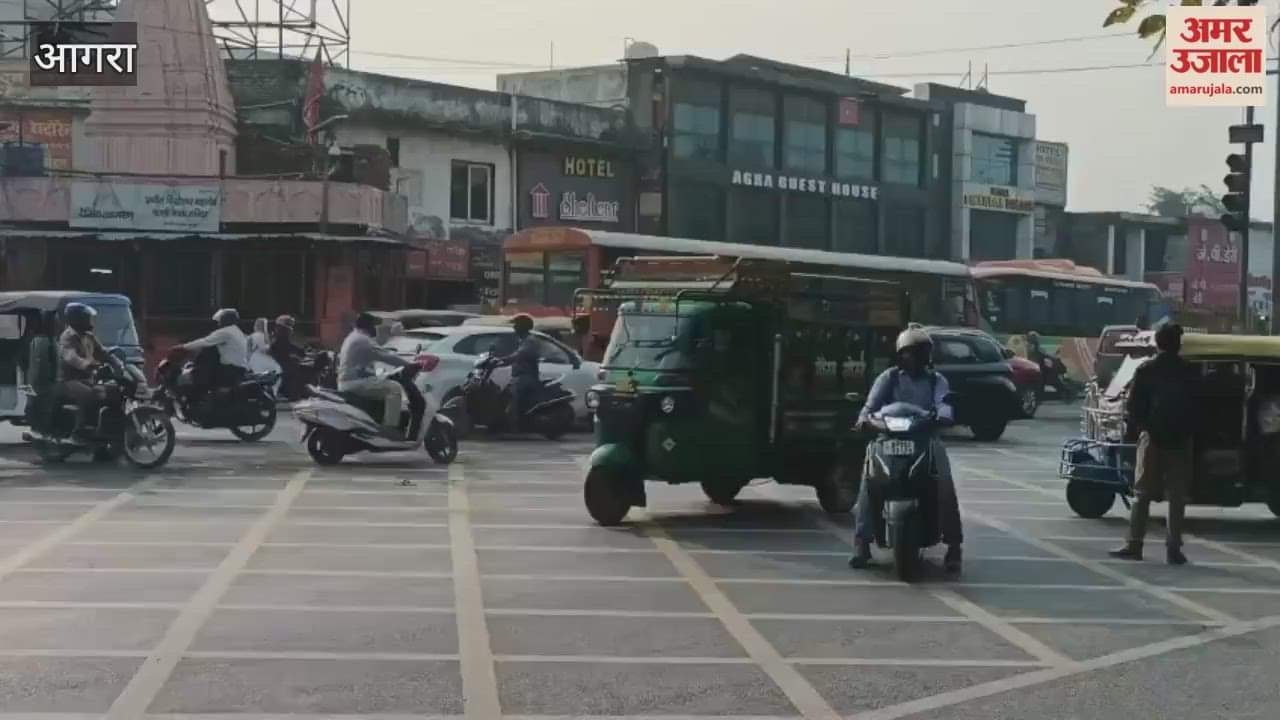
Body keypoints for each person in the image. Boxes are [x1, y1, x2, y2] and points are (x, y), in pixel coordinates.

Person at [849, 326, 964, 573]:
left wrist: (943, 415)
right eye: (915, 352)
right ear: (902, 354)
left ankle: (954, 546)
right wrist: (863, 421)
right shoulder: (888, 378)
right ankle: (862, 543)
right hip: (887, 439)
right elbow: (870, 406)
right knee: (869, 482)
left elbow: (943, 404)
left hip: (925, 438)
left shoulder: (937, 380)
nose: (921, 357)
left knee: (944, 484)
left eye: (924, 351)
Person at [1110, 323, 1198, 565]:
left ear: (1157, 343)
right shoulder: (1190, 371)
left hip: (1153, 440)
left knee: (1142, 494)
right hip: (1181, 441)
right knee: (1177, 497)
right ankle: (1173, 548)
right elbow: (1198, 406)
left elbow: (1134, 407)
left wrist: (1139, 430)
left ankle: (1134, 544)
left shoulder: (1147, 369)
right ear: (1178, 344)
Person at [337, 312, 413, 440]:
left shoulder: (353, 337)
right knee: (393, 388)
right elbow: (386, 356)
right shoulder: (363, 340)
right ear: (369, 326)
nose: (376, 329)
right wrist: (410, 364)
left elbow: (378, 354)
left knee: (384, 385)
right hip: (355, 382)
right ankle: (390, 428)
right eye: (375, 326)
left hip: (350, 380)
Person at [55, 303, 114, 438]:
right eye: (86, 318)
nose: (89, 321)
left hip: (87, 378)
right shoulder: (67, 337)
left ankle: (103, 429)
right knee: (88, 394)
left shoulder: (89, 336)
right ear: (77, 319)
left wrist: (117, 362)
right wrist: (87, 365)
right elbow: (71, 356)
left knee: (110, 392)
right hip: (67, 380)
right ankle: (79, 430)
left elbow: (103, 352)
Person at [180, 309, 250, 400]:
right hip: (239, 368)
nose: (219, 322)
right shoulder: (237, 331)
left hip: (229, 368)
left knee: (200, 377)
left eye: (221, 319)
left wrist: (183, 347)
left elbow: (205, 341)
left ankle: (201, 400)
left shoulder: (225, 332)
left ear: (226, 320)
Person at [498, 314, 540, 427]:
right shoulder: (523, 340)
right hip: (519, 375)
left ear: (523, 326)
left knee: (513, 394)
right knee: (503, 393)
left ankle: (515, 422)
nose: (514, 328)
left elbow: (520, 355)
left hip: (526, 376)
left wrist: (504, 360)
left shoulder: (530, 341)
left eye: (516, 325)